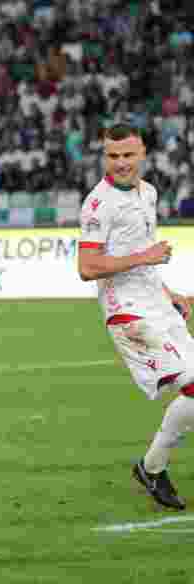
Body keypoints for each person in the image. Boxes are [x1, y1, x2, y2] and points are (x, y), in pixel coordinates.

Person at [78, 123, 192, 510]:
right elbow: (87, 267)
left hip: (155, 303)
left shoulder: (148, 193)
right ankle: (152, 468)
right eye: (113, 156)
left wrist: (169, 294)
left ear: (143, 153)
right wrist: (146, 257)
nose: (121, 163)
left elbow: (144, 256)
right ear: (104, 157)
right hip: (127, 313)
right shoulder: (98, 204)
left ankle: (151, 468)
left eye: (128, 155)